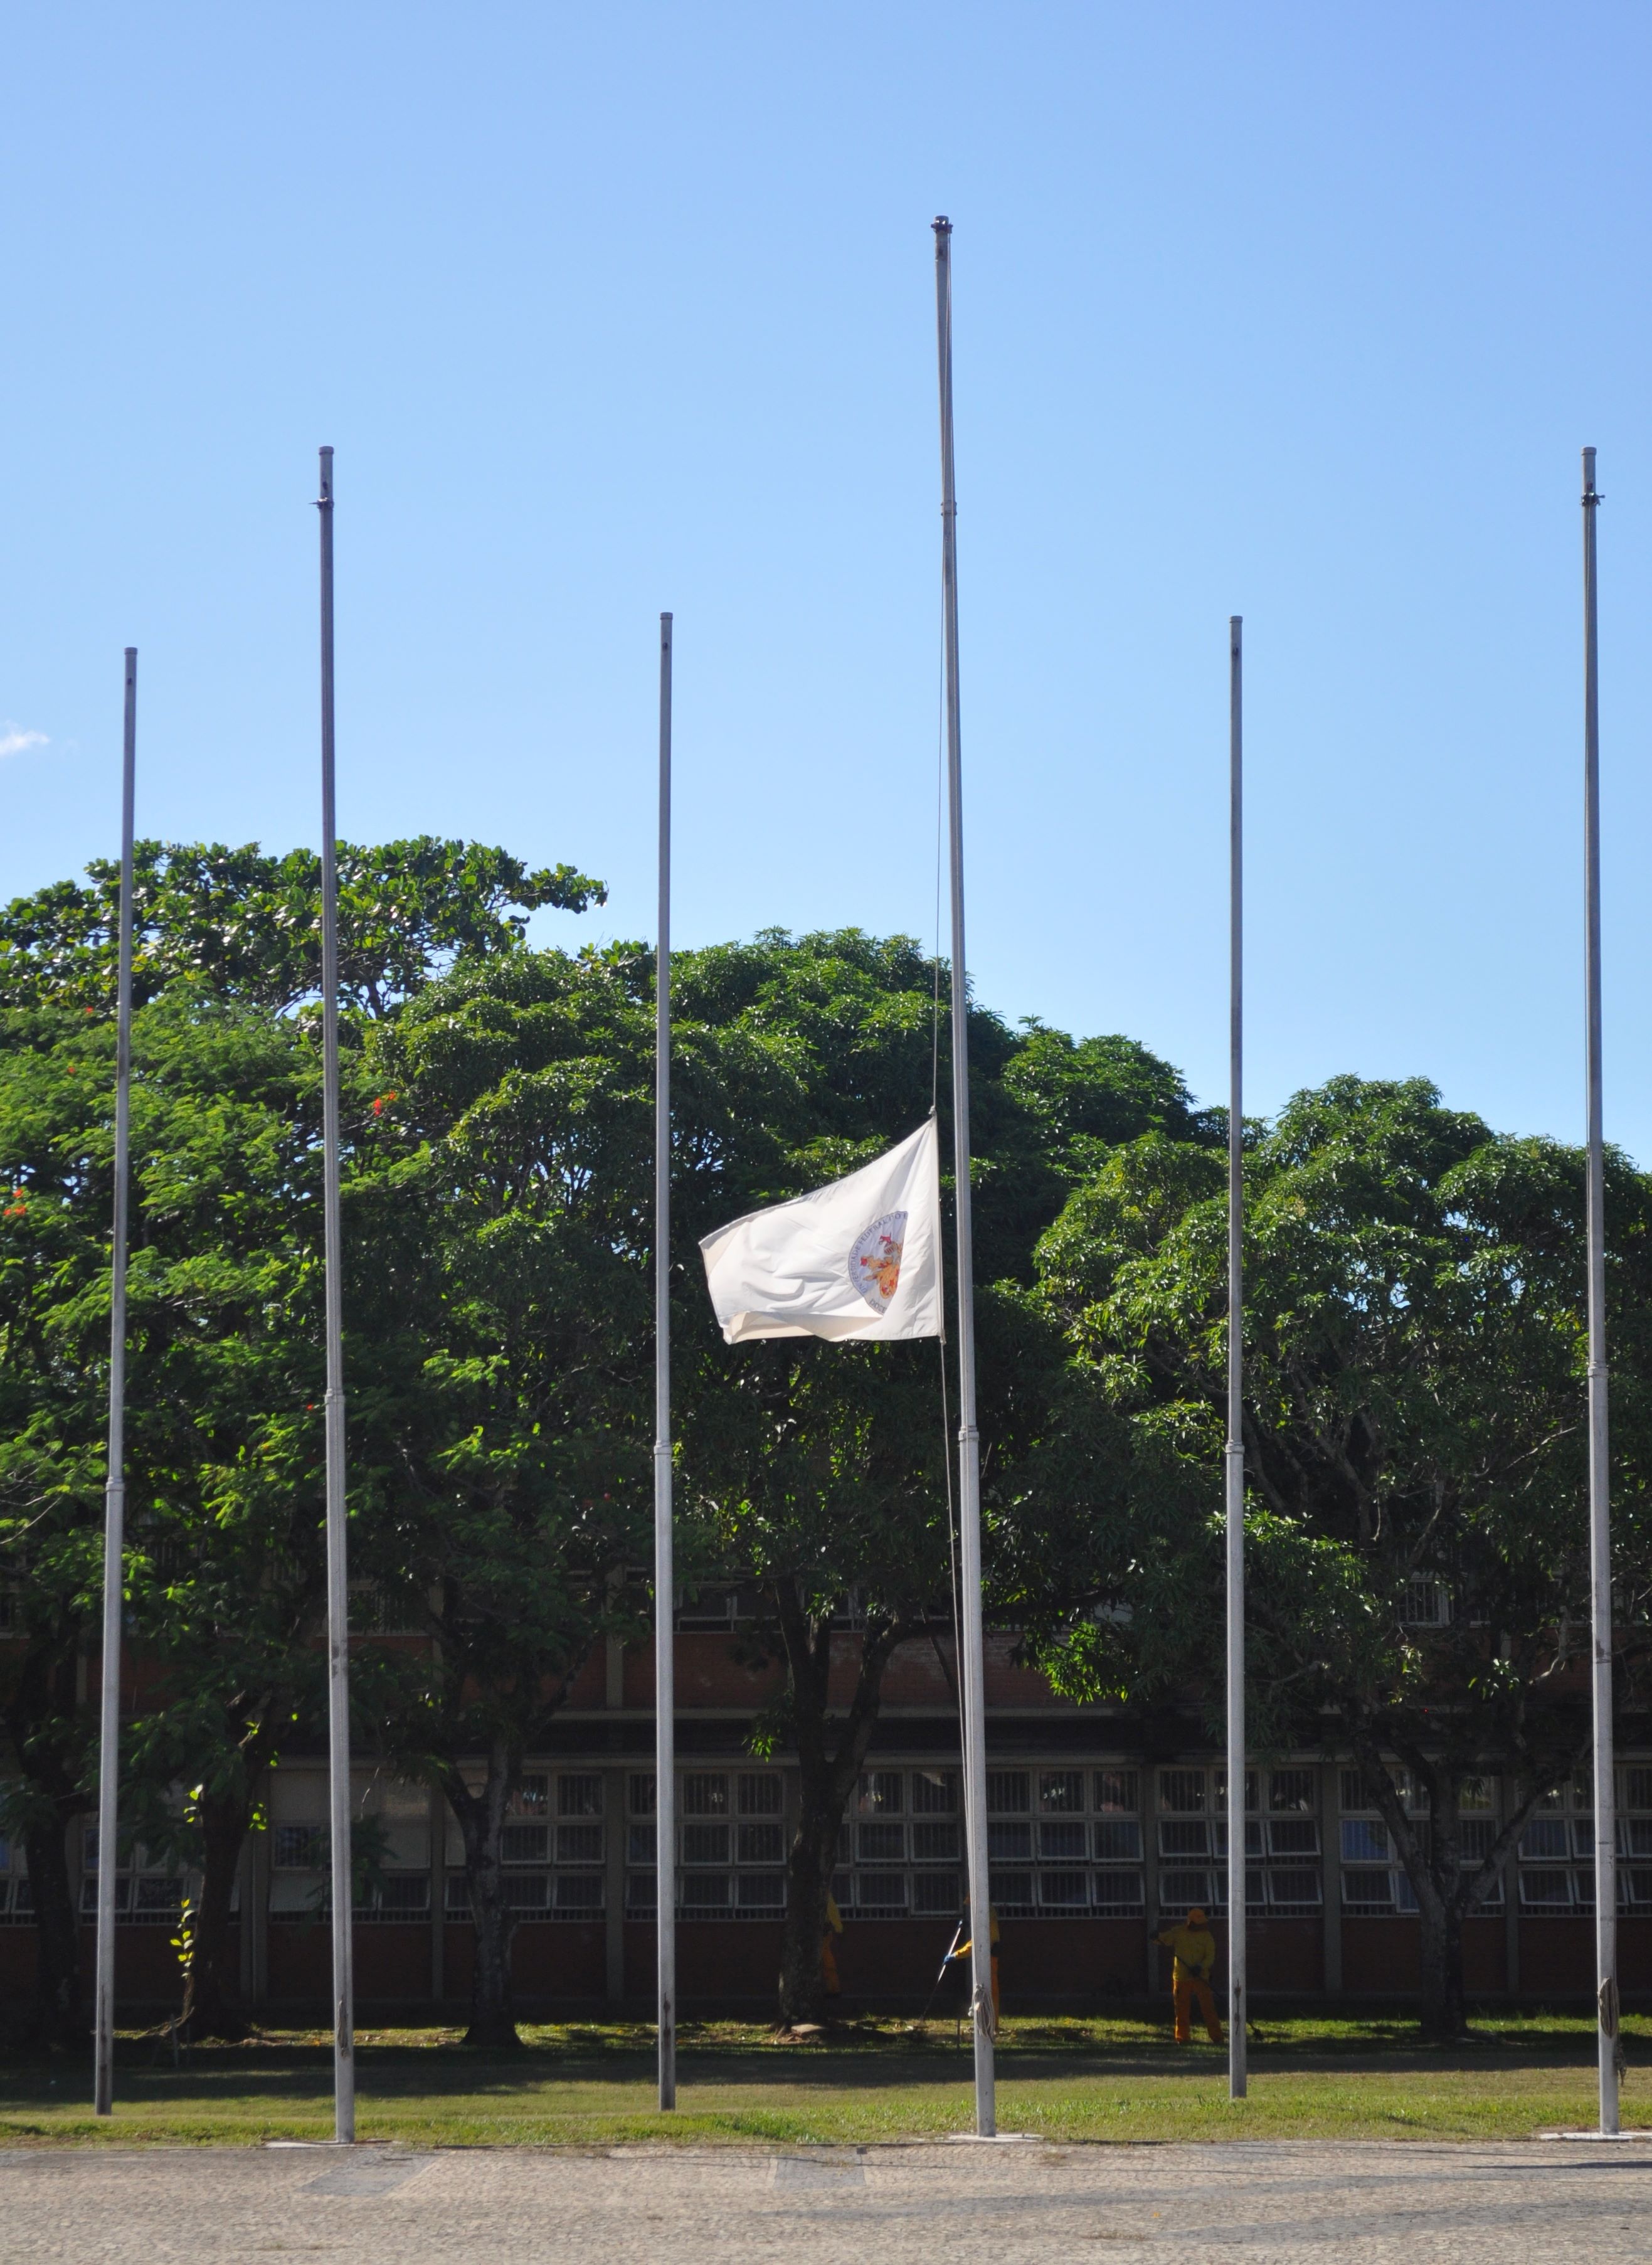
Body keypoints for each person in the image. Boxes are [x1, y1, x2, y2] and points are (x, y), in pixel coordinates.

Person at [1156, 1905, 1222, 2044]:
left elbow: (1210, 1957)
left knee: (1208, 2009)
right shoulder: (1178, 1932)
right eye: (1199, 1924)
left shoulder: (1207, 1937)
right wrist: (1155, 1937)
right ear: (1190, 1923)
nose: (1201, 1926)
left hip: (1201, 1978)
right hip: (1181, 1978)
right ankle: (1182, 2038)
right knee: (1181, 2010)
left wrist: (1200, 1967)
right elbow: (1164, 1939)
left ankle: (1217, 2037)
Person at [945, 1899, 1000, 2024]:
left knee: (988, 1990)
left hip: (989, 1955)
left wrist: (955, 1955)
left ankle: (990, 2023)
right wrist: (970, 1923)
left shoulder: (984, 1914)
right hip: (989, 1953)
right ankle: (987, 2022)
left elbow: (975, 1944)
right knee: (987, 1989)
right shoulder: (987, 1910)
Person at [819, 1889, 844, 1997]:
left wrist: (837, 1929)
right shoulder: (825, 1896)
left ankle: (833, 1988)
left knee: (826, 1961)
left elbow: (832, 1914)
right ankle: (832, 1988)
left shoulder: (824, 1896)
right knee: (826, 1961)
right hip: (823, 1932)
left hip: (823, 1933)